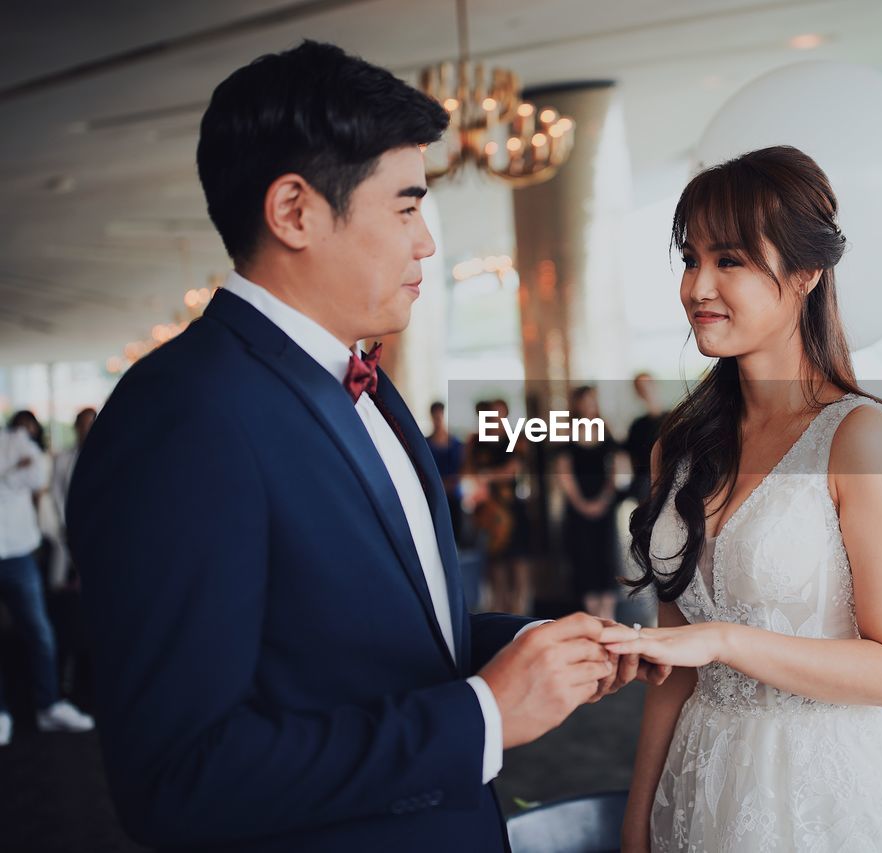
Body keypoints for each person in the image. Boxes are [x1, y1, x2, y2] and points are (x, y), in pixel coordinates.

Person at [66, 42, 665, 852]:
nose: (426, 245)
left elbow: (363, 640)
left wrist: (528, 646)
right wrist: (484, 714)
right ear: (295, 212)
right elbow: (181, 779)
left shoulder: (366, 383)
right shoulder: (185, 415)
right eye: (407, 206)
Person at [601, 147, 882, 851]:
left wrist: (724, 639)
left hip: (835, 791)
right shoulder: (677, 448)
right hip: (702, 779)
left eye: (731, 260)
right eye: (691, 258)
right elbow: (670, 671)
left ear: (807, 273)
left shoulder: (860, 440)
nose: (698, 286)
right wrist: (637, 823)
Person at [0, 414, 95, 747]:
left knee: (39, 631)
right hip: (17, 548)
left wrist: (9, 476)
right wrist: (12, 474)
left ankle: (49, 704)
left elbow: (37, 474)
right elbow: (24, 477)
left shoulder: (15, 440)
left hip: (18, 554)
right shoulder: (15, 449)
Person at [556, 385, 620, 621]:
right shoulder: (567, 432)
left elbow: (615, 469)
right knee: (584, 559)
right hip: (577, 507)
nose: (588, 406)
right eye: (584, 401)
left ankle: (610, 619)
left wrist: (604, 499)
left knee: (606, 558)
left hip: (605, 505)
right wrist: (581, 504)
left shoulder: (606, 429)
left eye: (592, 401)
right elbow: (564, 473)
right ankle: (595, 620)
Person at [466, 398, 534, 615]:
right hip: (488, 514)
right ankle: (502, 618)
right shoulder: (475, 441)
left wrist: (486, 475)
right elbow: (468, 472)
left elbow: (513, 470)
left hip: (514, 510)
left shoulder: (515, 438)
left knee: (519, 567)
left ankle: (520, 617)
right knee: (496, 572)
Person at [48, 407, 97, 589]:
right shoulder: (63, 458)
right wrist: (66, 521)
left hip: (94, 525)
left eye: (91, 424)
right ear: (76, 427)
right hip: (66, 524)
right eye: (83, 425)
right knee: (61, 579)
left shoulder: (104, 457)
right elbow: (56, 493)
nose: (87, 429)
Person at [425, 401, 465, 542]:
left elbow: (463, 468)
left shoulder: (457, 444)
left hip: (454, 495)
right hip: (435, 495)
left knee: (456, 533)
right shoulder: (426, 444)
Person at [624, 373, 666, 504]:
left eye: (648, 385)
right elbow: (631, 458)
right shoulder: (636, 426)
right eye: (641, 387)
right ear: (637, 392)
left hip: (668, 478)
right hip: (645, 483)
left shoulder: (673, 419)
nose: (646, 390)